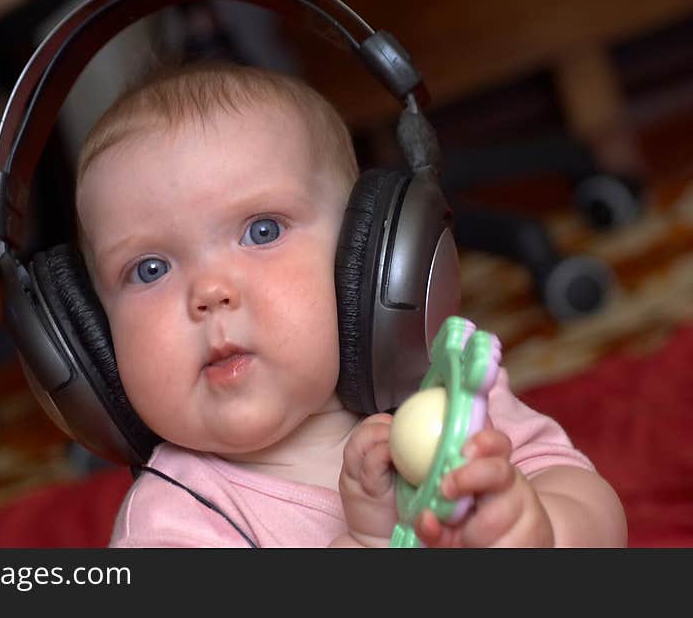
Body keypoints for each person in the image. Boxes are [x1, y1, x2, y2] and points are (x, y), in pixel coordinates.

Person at [73, 61, 627, 548]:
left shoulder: (443, 398)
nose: (209, 293)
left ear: (371, 259)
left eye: (263, 231)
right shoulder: (173, 526)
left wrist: (540, 532)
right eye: (150, 269)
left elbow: (585, 501)